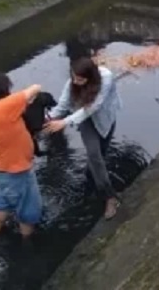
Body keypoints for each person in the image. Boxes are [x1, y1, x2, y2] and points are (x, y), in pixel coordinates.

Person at [44, 57, 123, 220]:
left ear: (91, 77)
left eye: (80, 79)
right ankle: (110, 197)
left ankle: (91, 177)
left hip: (105, 118)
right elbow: (63, 106)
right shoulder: (72, 82)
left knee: (100, 154)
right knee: (94, 154)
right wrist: (46, 119)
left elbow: (94, 106)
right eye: (74, 77)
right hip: (85, 121)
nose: (75, 81)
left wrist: (65, 122)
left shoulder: (106, 78)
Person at [0, 72, 45, 239]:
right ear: (3, 89)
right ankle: (26, 244)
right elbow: (36, 88)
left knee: (4, 201)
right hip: (16, 171)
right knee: (28, 209)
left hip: (1, 169)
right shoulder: (6, 106)